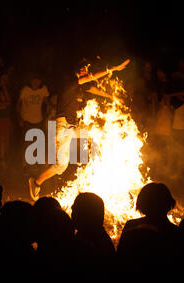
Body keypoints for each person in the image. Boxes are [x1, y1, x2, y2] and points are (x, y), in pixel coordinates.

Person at [28, 58, 130, 200]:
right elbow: (91, 78)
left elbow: (92, 88)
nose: (85, 71)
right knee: (60, 166)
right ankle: (36, 182)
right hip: (62, 127)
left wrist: (112, 97)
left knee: (96, 133)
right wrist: (112, 69)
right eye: (82, 69)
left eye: (86, 69)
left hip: (71, 126)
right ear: (77, 70)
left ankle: (95, 170)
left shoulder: (80, 86)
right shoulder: (70, 82)